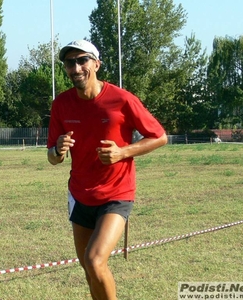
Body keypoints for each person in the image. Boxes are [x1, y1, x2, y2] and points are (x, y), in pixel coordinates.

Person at [47, 40, 168, 300]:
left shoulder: (122, 99)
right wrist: (57, 149)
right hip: (79, 195)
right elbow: (52, 158)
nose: (76, 67)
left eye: (82, 60)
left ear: (97, 64)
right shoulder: (61, 104)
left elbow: (159, 137)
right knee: (90, 270)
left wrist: (123, 152)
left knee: (94, 260)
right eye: (70, 63)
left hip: (116, 193)